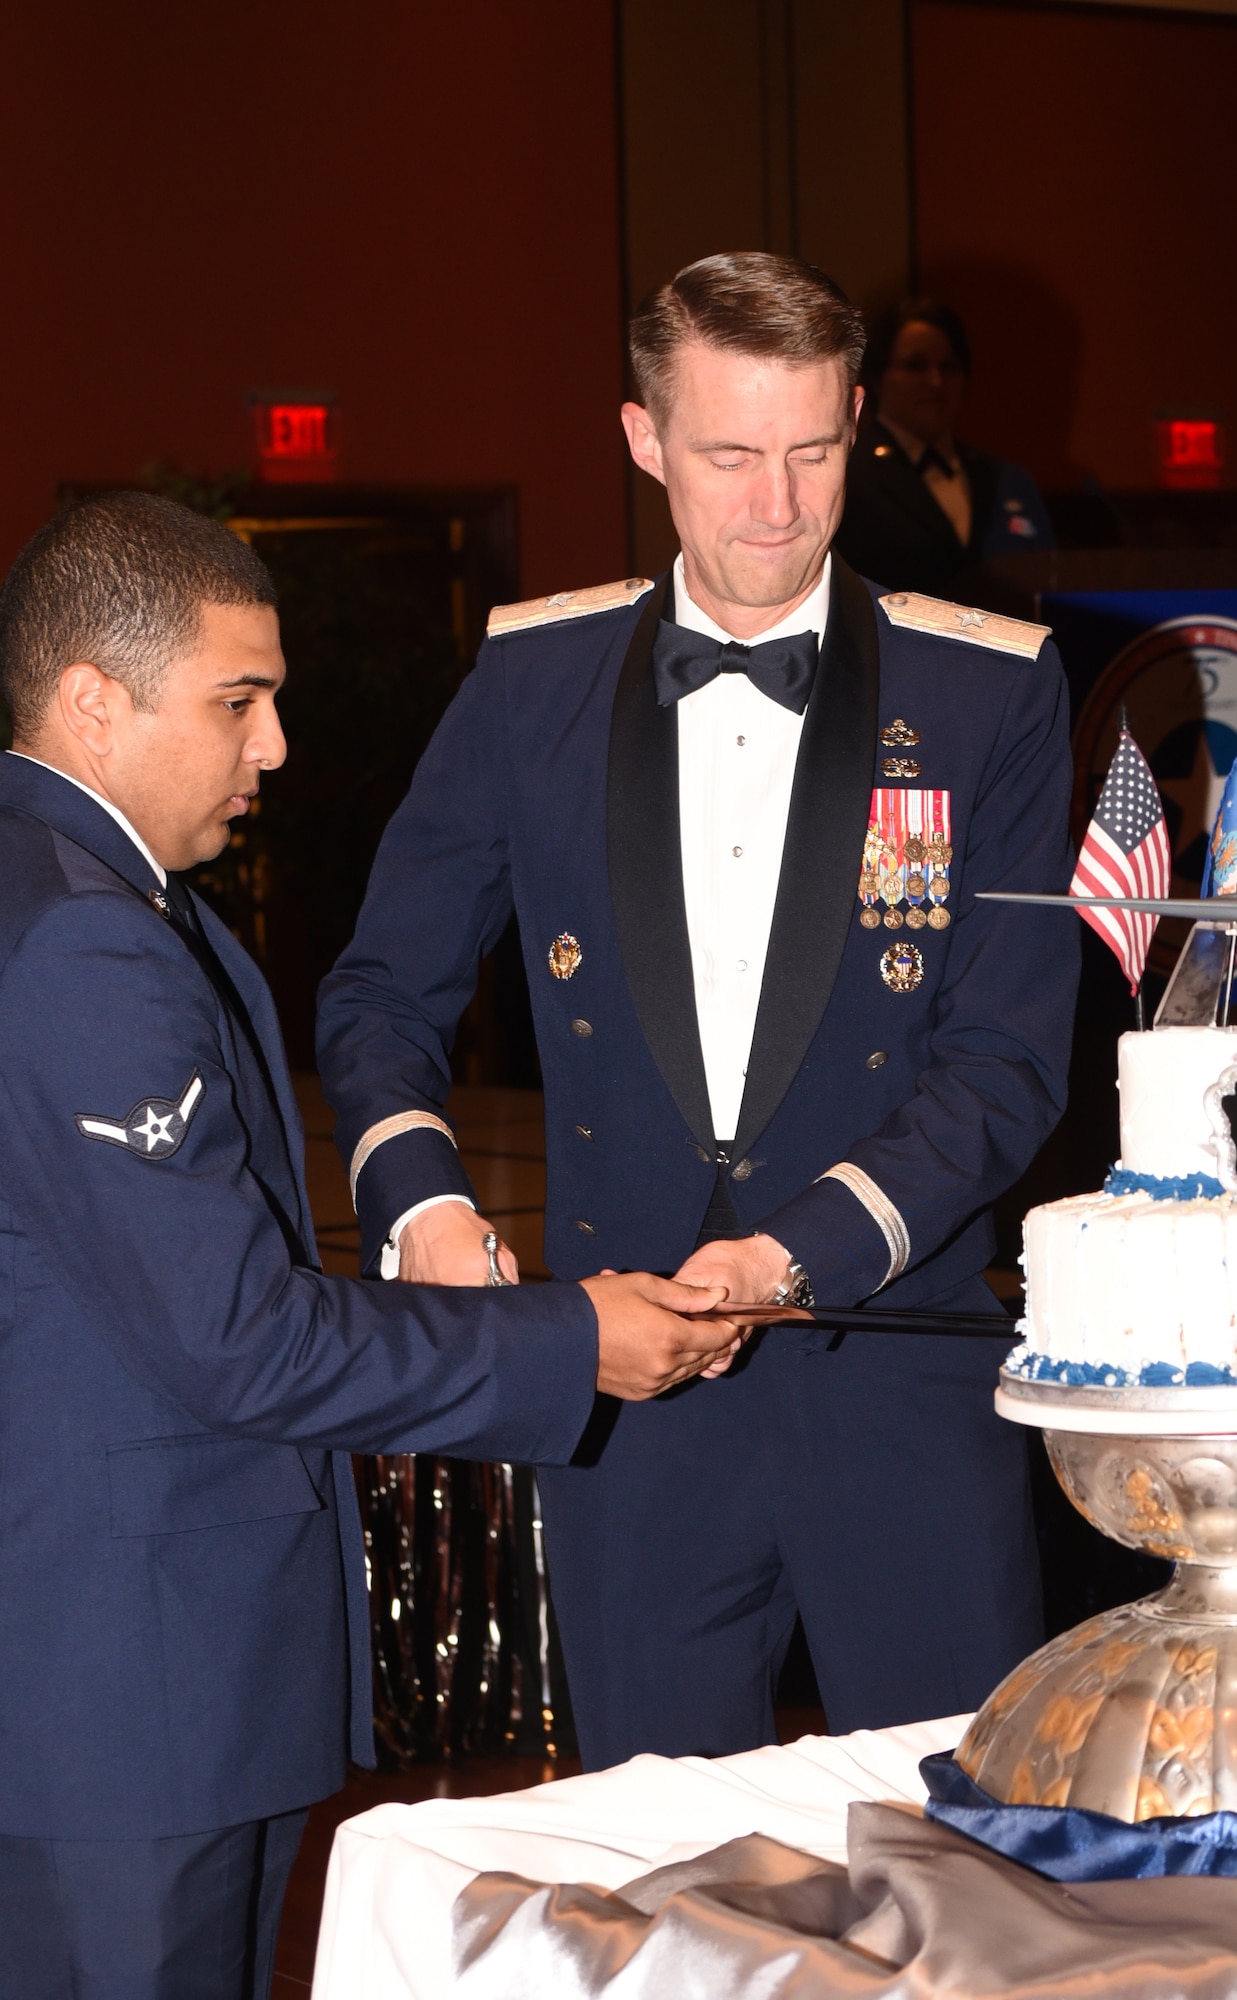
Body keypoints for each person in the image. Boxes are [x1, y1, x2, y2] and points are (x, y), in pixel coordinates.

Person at [317, 252, 1080, 1773]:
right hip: (629, 1393)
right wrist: (425, 1210)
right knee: (667, 1878)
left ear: (858, 421)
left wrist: (794, 1254)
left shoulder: (988, 689)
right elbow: (379, 989)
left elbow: (1004, 1062)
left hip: (898, 1368)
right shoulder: (531, 683)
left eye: (812, 451)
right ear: (642, 437)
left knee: (961, 1869)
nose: (777, 508)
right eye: (729, 455)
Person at [0, 491, 738, 2000]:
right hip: (132, 1705)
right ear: (91, 701)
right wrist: (569, 1339)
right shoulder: (86, 938)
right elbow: (237, 1338)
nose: (271, 746)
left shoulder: (107, 906)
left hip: (139, 1676)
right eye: (238, 701)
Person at [835, 297, 1054, 597]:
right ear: (877, 376)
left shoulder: (1008, 479)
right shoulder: (849, 474)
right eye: (916, 366)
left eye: (948, 367)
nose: (936, 381)